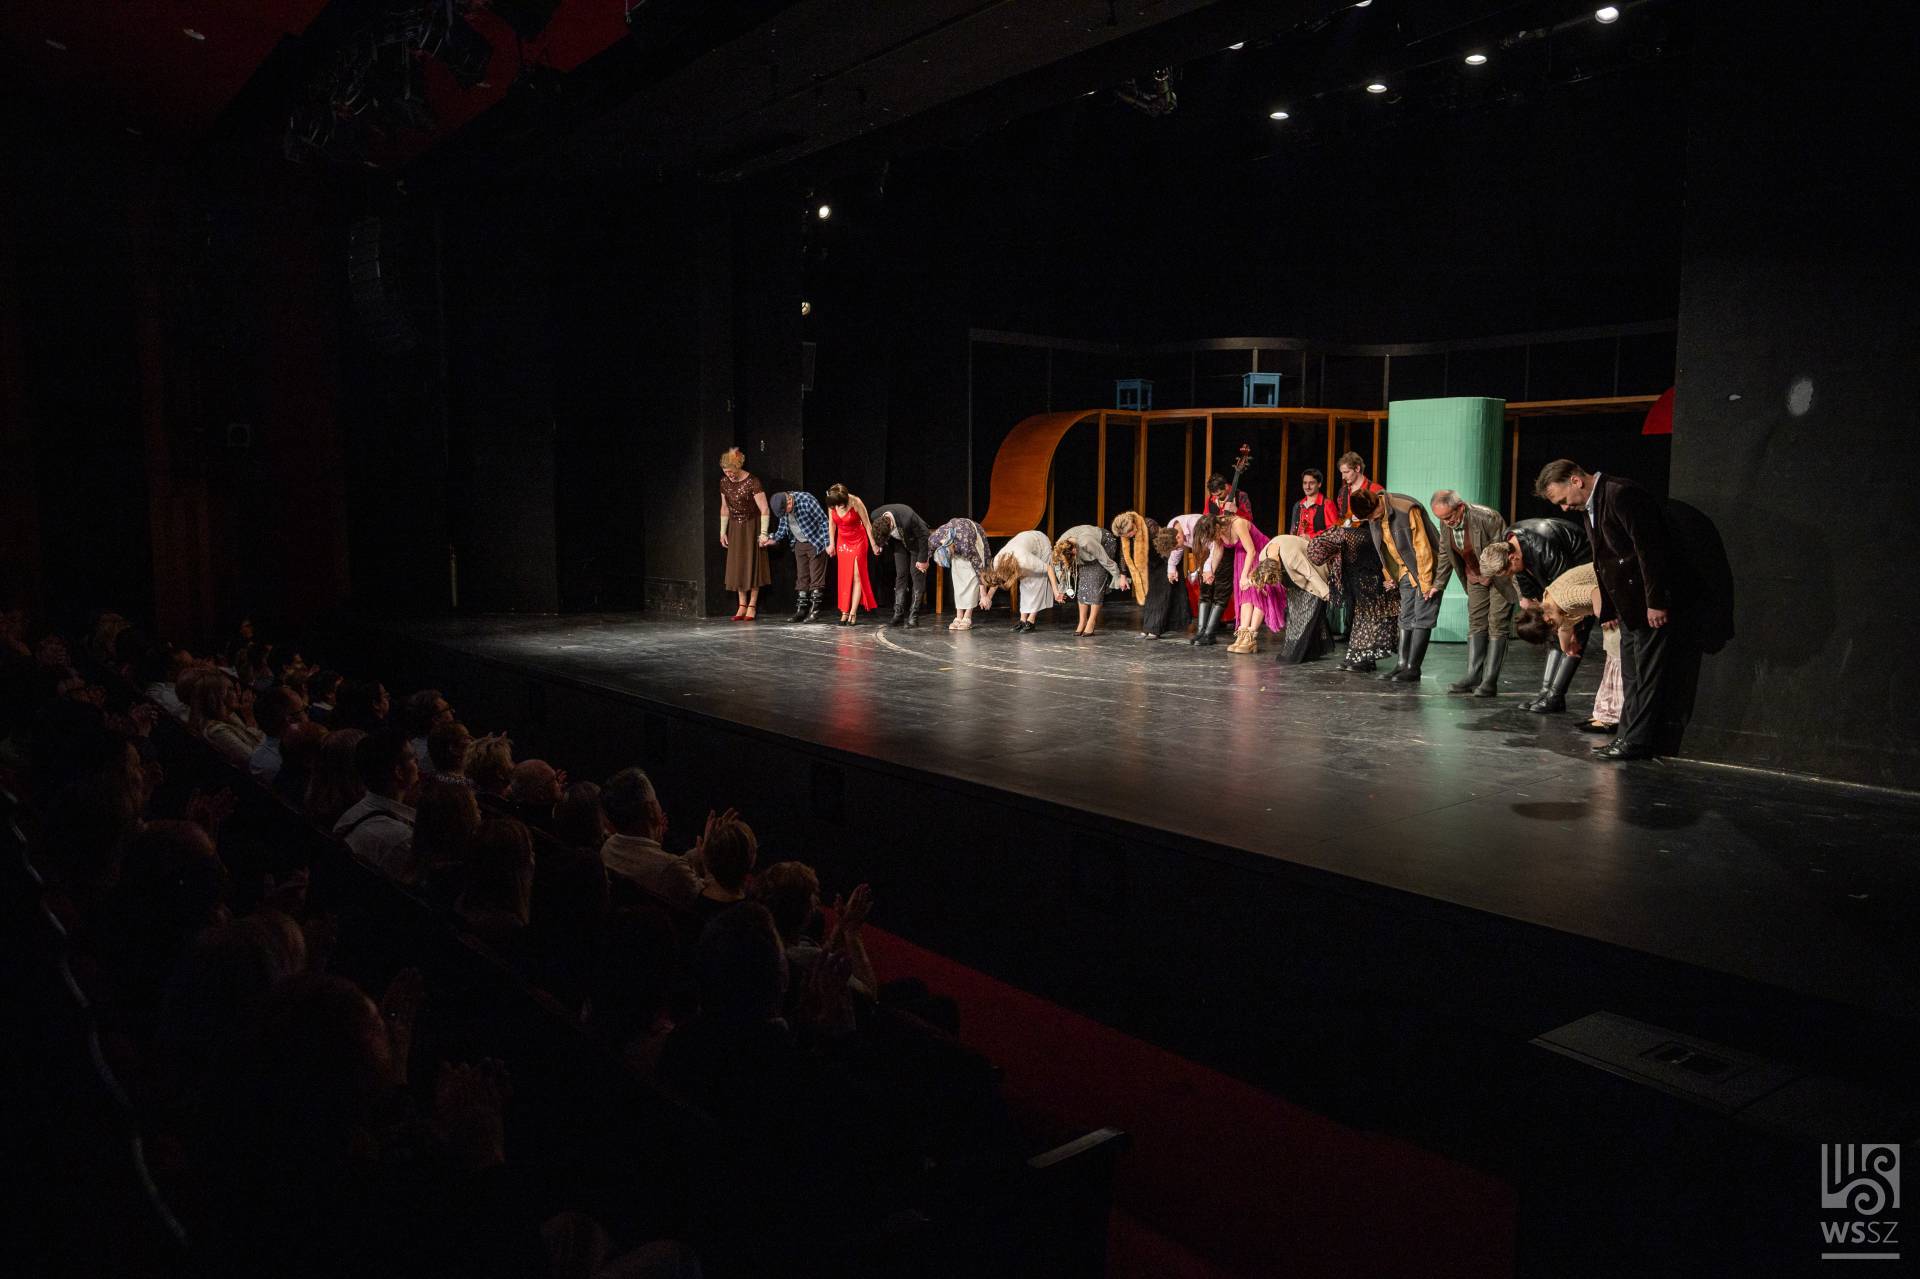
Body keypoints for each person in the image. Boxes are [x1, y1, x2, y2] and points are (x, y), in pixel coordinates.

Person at [1536, 459, 1702, 762]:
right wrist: (1609, 609)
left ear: (1575, 480)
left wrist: (1656, 601)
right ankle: (1626, 736)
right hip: (1626, 606)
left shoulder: (1621, 493)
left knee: (1647, 675)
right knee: (1631, 675)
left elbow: (1649, 550)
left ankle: (1637, 741)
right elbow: (1603, 562)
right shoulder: (1590, 507)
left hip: (1646, 603)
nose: (1564, 508)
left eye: (1562, 500)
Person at [1483, 517, 1594, 712]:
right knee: (1550, 630)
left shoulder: (1543, 545)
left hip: (1584, 575)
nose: (1509, 575)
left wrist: (1572, 628)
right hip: (1556, 580)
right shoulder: (1509, 542)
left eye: (1507, 572)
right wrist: (1528, 600)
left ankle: (1555, 696)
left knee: (1573, 638)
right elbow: (1523, 575)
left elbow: (1567, 586)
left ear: (1512, 558)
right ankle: (1545, 692)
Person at [1351, 488, 1451, 681]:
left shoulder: (1405, 509)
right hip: (1406, 569)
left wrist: (1426, 583)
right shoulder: (1374, 517)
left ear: (1377, 503)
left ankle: (1413, 668)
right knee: (1406, 616)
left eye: (1371, 515)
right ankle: (1402, 665)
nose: (1371, 520)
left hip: (1427, 567)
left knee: (1423, 617)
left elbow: (1423, 548)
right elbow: (1384, 548)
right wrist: (1389, 575)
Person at [1513, 563, 1624, 736]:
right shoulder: (1550, 606)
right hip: (1610, 591)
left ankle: (1614, 715)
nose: (1555, 630)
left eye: (1552, 628)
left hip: (1614, 582)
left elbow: (1594, 591)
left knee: (1616, 652)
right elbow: (1564, 626)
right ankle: (1607, 713)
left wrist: (1604, 614)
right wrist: (1567, 647)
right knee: (1613, 653)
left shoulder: (1564, 599)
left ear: (1548, 620)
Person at [1430, 490, 1513, 697]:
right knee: (1476, 622)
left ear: (1460, 507)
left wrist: (1491, 575)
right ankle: (1473, 675)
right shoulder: (1446, 522)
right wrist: (1438, 584)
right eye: (1441, 519)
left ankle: (1489, 681)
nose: (1446, 522)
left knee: (1497, 623)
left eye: (1449, 517)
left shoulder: (1488, 518)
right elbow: (1445, 552)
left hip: (1499, 576)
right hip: (1474, 575)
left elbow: (1502, 552)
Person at [599, 766, 702, 906]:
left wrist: (696, 854)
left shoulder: (608, 848)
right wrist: (708, 861)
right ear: (650, 809)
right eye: (656, 799)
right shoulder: (670, 870)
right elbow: (702, 897)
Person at [333, 729, 420, 883]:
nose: (418, 763)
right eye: (413, 759)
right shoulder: (403, 839)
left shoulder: (350, 816)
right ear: (399, 772)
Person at [1192, 510, 1285, 655]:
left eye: (1213, 535)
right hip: (1242, 556)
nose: (1215, 538)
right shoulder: (1216, 530)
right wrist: (1211, 571)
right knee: (1245, 595)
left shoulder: (1237, 524)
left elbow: (1251, 550)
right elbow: (1218, 550)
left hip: (1259, 553)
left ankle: (1251, 636)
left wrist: (1244, 576)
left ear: (1217, 526)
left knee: (1258, 593)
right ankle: (1243, 634)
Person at [1250, 533, 1337, 664]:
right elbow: (1263, 575)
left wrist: (1327, 594)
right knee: (1294, 615)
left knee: (1307, 614)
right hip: (1292, 579)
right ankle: (1301, 649)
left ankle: (1301, 651)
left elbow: (1311, 574)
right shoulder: (1264, 557)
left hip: (1312, 573)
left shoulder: (1292, 557)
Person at [717, 446, 772, 621]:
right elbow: (724, 508)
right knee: (738, 565)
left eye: (731, 471)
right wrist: (722, 531)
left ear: (738, 467)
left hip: (752, 526)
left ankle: (752, 605)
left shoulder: (752, 482)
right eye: (726, 471)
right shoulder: (724, 483)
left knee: (752, 564)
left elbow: (764, 509)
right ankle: (741, 604)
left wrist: (763, 533)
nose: (729, 475)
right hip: (735, 527)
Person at [766, 489, 831, 623]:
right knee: (802, 577)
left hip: (815, 542)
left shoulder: (807, 501)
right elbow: (783, 528)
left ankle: (814, 611)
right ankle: (801, 610)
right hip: (799, 543)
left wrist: (828, 543)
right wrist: (772, 539)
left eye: (786, 510)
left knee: (816, 577)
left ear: (789, 501)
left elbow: (824, 522)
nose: (785, 514)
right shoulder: (784, 507)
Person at [977, 530, 1061, 631]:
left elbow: (1049, 569)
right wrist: (988, 597)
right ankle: (1022, 620)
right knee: (1025, 583)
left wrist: (1056, 592)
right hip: (1024, 541)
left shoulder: (1024, 561)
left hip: (1041, 543)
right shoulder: (997, 561)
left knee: (1037, 580)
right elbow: (997, 580)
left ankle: (1031, 621)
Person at [1053, 524, 1129, 636]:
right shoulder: (1060, 547)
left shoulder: (1086, 542)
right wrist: (1062, 588)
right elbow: (1060, 568)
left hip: (1104, 543)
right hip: (1083, 549)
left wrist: (1118, 576)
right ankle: (1082, 621)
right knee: (1083, 585)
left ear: (1074, 550)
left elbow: (1104, 559)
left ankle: (1091, 621)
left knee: (1096, 581)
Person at [823, 483, 880, 626]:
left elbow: (867, 525)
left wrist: (874, 545)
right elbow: (832, 524)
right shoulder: (832, 503)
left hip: (859, 540)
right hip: (842, 541)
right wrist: (831, 544)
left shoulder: (856, 502)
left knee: (856, 575)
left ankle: (853, 612)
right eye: (836, 505)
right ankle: (844, 611)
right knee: (844, 576)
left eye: (841, 504)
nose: (839, 507)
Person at [869, 503, 932, 628]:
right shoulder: (875, 515)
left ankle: (914, 616)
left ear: (891, 526)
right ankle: (898, 614)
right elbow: (878, 533)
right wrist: (878, 545)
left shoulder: (907, 517)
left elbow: (924, 534)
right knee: (901, 574)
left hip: (916, 542)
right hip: (899, 543)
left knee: (916, 574)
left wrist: (923, 559)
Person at [927, 515, 989, 631]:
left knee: (971, 576)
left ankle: (967, 616)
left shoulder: (966, 545)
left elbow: (979, 569)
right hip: (957, 540)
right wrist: (925, 562)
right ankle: (959, 616)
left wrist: (984, 594)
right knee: (957, 578)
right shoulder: (935, 539)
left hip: (974, 535)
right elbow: (927, 550)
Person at [1143, 516, 1198, 640]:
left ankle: (1157, 627)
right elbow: (1176, 549)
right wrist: (1171, 569)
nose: (1177, 549)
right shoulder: (1172, 529)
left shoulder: (1193, 526)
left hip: (1164, 560)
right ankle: (1152, 627)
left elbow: (1177, 549)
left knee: (1166, 594)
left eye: (1176, 547)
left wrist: (1207, 567)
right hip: (1158, 562)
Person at [247, 685, 308, 784]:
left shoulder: (260, 757)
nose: (307, 716)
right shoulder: (293, 765)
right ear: (290, 720)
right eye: (304, 710)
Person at [400, 688, 453, 770]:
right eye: (447, 709)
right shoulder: (442, 751)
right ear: (436, 719)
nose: (452, 712)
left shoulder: (412, 747)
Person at [1288, 469, 1340, 539]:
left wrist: (1311, 537)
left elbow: (1334, 530)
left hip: (1317, 544)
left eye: (1311, 483)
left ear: (1319, 484)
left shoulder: (1327, 504)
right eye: (1305, 483)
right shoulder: (1298, 505)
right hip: (1297, 542)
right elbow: (1292, 530)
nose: (1307, 487)